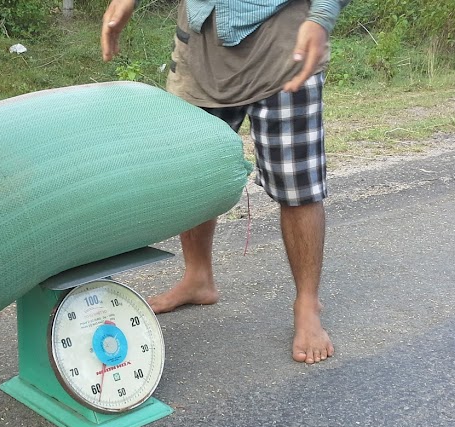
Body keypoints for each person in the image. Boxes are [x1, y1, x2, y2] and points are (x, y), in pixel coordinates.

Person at [102, 0, 348, 364]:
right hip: (200, 48)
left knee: (297, 186)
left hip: (283, 45)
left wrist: (322, 16)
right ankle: (198, 278)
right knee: (195, 174)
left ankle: (308, 303)